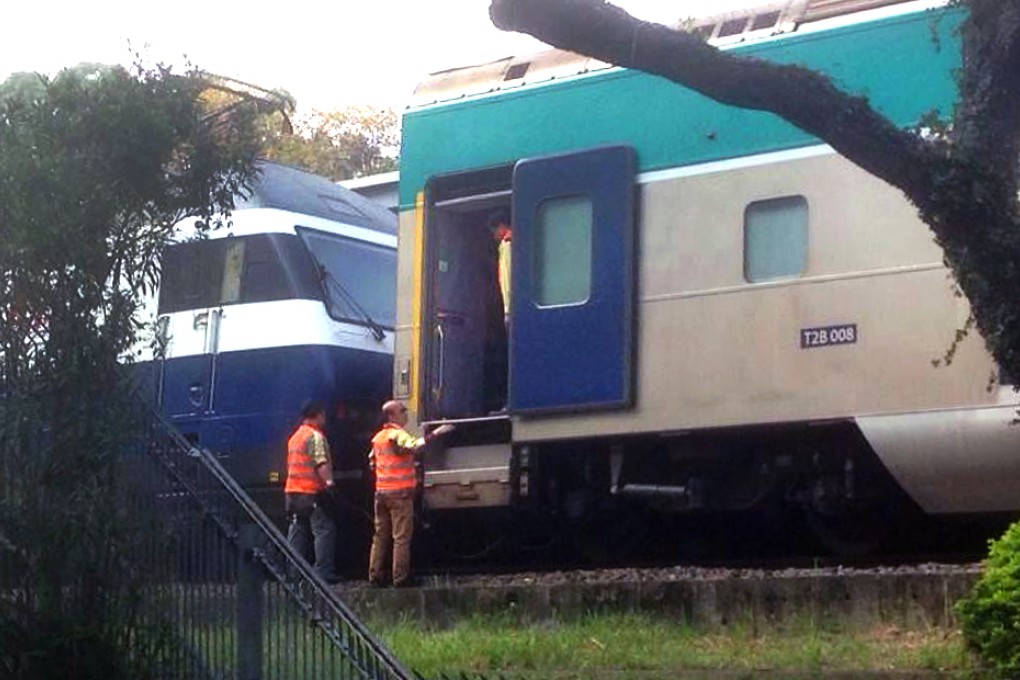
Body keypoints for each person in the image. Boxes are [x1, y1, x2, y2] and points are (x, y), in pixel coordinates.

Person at [367, 400, 454, 587]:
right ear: (391, 416)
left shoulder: (378, 438)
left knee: (380, 536)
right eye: (402, 411)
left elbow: (372, 463)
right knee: (401, 537)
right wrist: (437, 432)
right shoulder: (397, 434)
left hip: (381, 494)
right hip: (399, 495)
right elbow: (415, 445)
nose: (405, 414)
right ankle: (400, 578)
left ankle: (375, 576)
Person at [284, 400, 339, 583]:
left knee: (297, 532)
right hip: (311, 493)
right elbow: (320, 462)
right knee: (324, 530)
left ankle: (293, 574)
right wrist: (329, 482)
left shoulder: (295, 437)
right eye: (323, 414)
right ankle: (323, 573)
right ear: (318, 415)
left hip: (293, 493)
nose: (325, 417)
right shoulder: (315, 436)